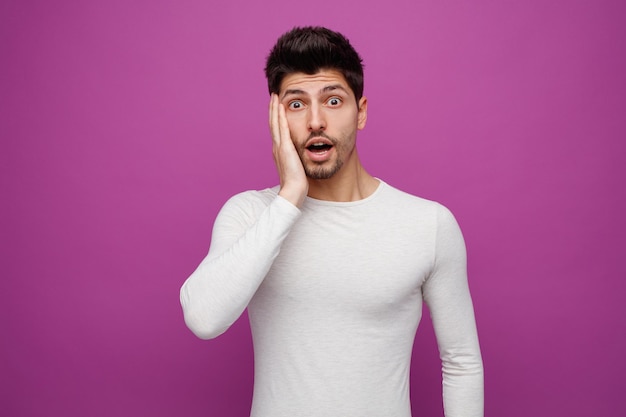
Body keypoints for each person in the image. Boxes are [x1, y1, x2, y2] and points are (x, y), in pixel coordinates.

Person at [180, 26, 483, 417]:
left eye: (334, 100)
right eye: (295, 104)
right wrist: (290, 196)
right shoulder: (251, 214)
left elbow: (461, 362)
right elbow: (204, 318)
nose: (316, 121)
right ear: (275, 119)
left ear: (362, 112)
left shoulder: (429, 224)